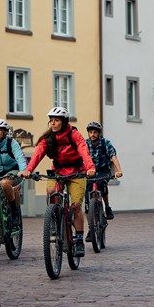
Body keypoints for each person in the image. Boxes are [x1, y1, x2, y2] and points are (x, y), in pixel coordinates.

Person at [19, 107, 95, 257]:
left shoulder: (74, 135)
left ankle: (79, 240)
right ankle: (54, 219)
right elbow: (38, 153)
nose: (53, 123)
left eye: (56, 120)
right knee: (50, 191)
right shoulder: (49, 138)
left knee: (75, 206)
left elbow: (83, 150)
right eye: (51, 121)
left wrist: (90, 167)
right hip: (58, 171)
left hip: (77, 172)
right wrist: (29, 169)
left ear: (64, 121)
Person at [85, 121, 123, 220]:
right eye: (90, 132)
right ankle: (91, 229)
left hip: (103, 171)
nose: (92, 135)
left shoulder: (105, 143)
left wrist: (119, 170)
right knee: (87, 200)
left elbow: (113, 156)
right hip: (90, 172)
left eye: (95, 132)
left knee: (102, 184)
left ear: (99, 133)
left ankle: (107, 206)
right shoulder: (85, 144)